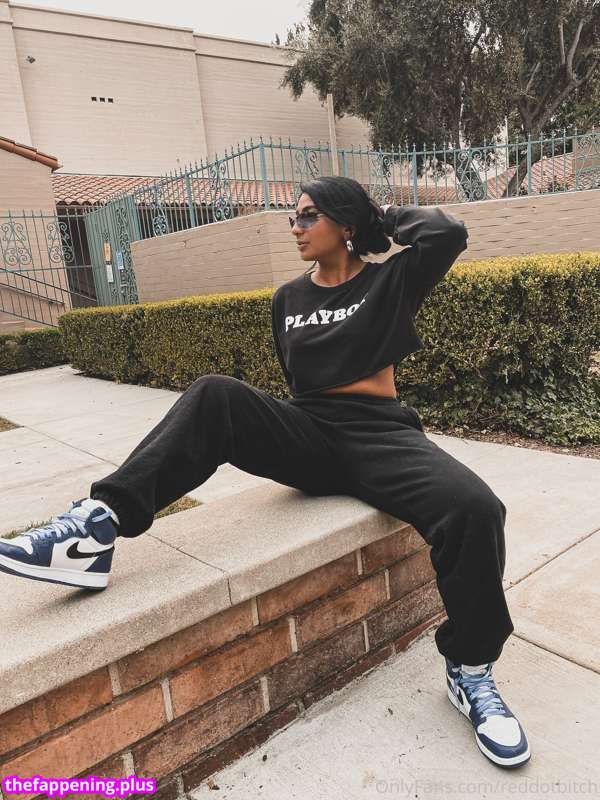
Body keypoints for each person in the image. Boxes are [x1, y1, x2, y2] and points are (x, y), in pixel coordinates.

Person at [0, 176, 530, 768]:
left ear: (344, 223)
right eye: (292, 218)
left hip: (381, 434)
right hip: (311, 433)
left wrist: (376, 218)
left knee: (476, 509)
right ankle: (94, 527)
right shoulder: (287, 299)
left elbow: (447, 232)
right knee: (216, 394)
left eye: (308, 216)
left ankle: (470, 668)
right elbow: (297, 382)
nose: (295, 228)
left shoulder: (391, 279)